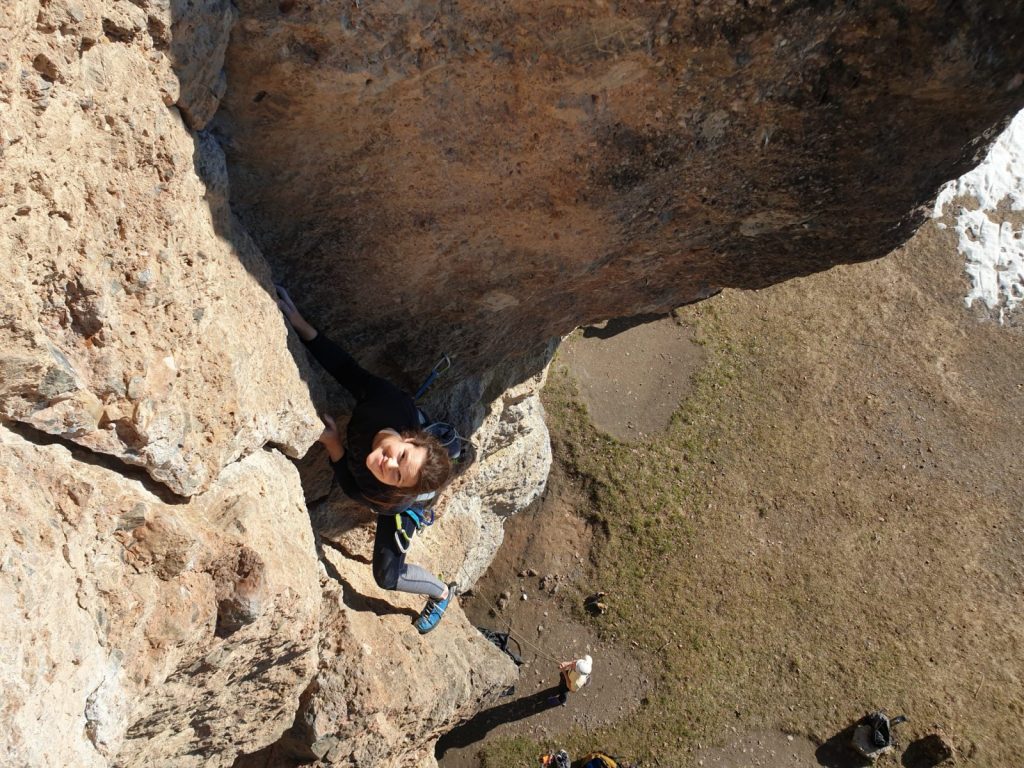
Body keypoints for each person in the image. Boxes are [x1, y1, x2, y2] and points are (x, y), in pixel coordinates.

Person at [276, 285, 456, 634]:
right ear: (408, 437)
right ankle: (431, 449)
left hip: (406, 506)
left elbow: (351, 486)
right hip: (409, 424)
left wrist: (334, 446)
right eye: (400, 455)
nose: (386, 463)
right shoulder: (389, 404)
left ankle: (442, 592)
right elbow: (350, 372)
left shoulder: (386, 495)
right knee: (412, 442)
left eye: (396, 473)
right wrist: (301, 325)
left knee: (387, 577)